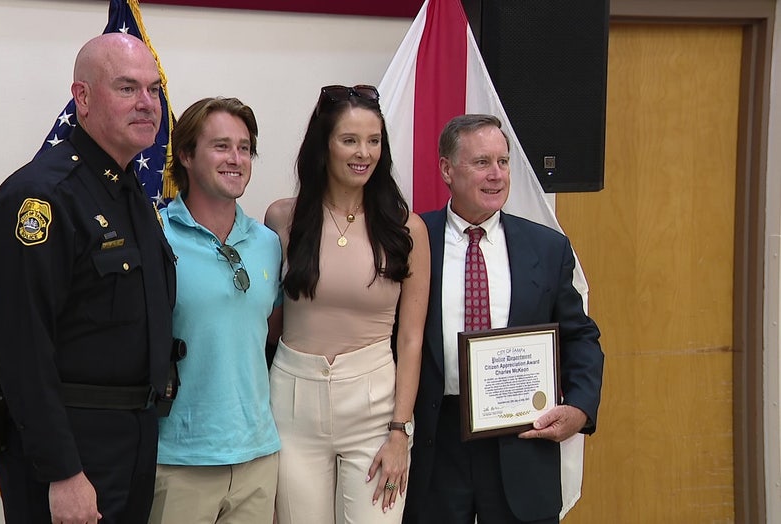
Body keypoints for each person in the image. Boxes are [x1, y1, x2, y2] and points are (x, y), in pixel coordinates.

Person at [0, 33, 176, 524]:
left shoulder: (129, 191)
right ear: (82, 98)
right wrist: (62, 472)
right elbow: (23, 347)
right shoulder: (43, 198)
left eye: (154, 90)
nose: (147, 104)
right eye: (127, 88)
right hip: (72, 446)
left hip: (131, 439)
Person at [402, 114, 604, 524]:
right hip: (435, 443)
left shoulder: (547, 247)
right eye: (481, 163)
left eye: (503, 162)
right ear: (446, 169)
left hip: (521, 443)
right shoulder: (413, 239)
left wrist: (580, 408)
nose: (496, 175)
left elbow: (580, 337)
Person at [265, 84, 430, 523]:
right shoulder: (283, 217)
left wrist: (400, 431)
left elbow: (412, 338)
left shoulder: (406, 228)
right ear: (325, 145)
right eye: (350, 140)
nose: (364, 153)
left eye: (374, 141)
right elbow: (269, 318)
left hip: (376, 406)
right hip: (292, 400)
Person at [148, 97, 282, 523]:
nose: (236, 159)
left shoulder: (267, 243)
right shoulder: (155, 236)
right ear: (185, 155)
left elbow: (271, 334)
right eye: (221, 146)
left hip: (257, 458)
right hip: (178, 460)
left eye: (244, 148)